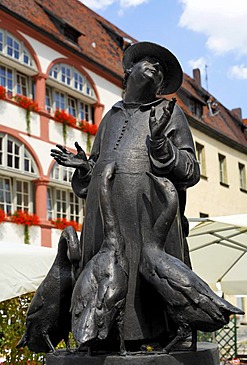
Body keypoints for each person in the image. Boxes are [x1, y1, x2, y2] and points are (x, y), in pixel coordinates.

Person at [51, 41, 200, 348]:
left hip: (149, 214)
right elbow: (96, 171)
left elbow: (190, 171)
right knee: (104, 284)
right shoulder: (110, 117)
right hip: (103, 219)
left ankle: (162, 335)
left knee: (149, 291)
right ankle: (100, 336)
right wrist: (84, 169)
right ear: (129, 70)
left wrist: (161, 145)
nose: (156, 69)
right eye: (151, 63)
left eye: (162, 71)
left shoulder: (169, 113)